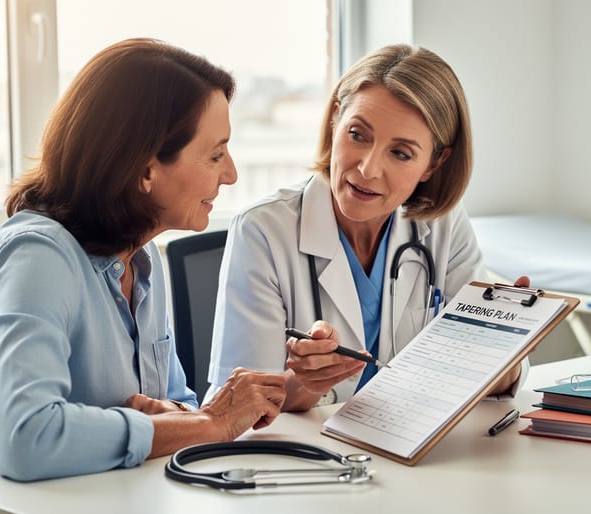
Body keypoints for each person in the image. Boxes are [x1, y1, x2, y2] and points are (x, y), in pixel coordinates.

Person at [0, 38, 287, 481]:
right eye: (214, 155)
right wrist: (204, 425)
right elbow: (27, 439)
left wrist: (175, 419)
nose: (230, 174)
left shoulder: (143, 260)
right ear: (146, 169)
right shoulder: (36, 256)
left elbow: (179, 405)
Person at [207, 44, 529, 411]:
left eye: (401, 153)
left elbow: (498, 373)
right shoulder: (264, 231)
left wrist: (503, 345)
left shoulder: (442, 225)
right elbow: (238, 409)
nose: (367, 169)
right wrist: (308, 383)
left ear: (434, 164)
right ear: (335, 120)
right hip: (306, 457)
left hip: (409, 450)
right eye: (358, 135)